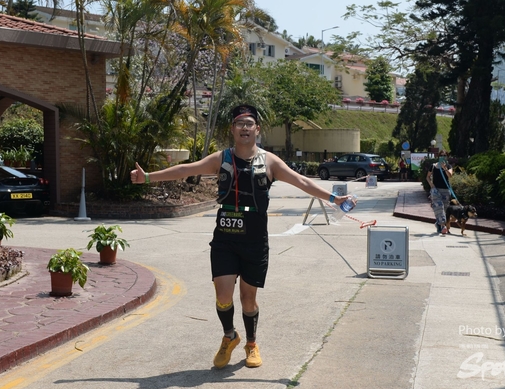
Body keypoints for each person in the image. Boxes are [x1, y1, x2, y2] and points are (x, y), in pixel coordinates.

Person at [130, 104, 352, 369]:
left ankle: (251, 343)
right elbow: (186, 169)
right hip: (225, 239)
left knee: (248, 299)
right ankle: (229, 336)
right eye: (239, 123)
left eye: (249, 124)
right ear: (232, 129)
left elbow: (301, 181)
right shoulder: (221, 158)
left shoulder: (270, 162)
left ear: (257, 129)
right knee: (223, 296)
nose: (244, 128)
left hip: (255, 241)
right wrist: (147, 178)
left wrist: (334, 198)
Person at [426, 150, 453, 234]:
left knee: (444, 209)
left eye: (445, 155)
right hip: (436, 191)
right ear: (439, 156)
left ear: (447, 157)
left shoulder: (448, 166)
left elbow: (450, 176)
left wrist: (445, 168)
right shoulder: (433, 166)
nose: (443, 157)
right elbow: (428, 177)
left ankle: (438, 224)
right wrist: (431, 184)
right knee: (439, 207)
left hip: (445, 190)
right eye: (441, 155)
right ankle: (443, 225)